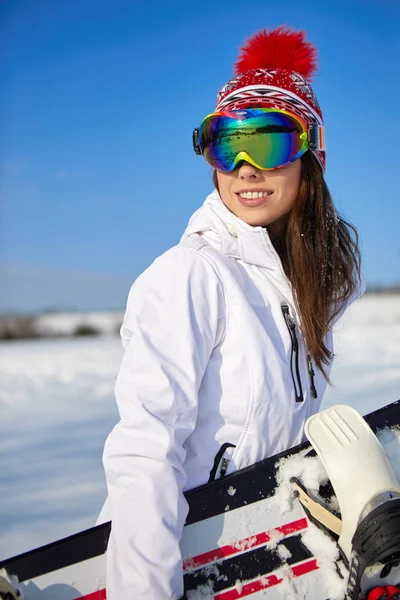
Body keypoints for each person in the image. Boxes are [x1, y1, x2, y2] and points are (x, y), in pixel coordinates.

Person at [98, 26, 365, 599]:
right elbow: (145, 449)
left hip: (267, 550)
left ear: (309, 157)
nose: (245, 168)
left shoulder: (303, 283)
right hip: (175, 557)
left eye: (266, 144)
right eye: (226, 144)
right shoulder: (189, 275)